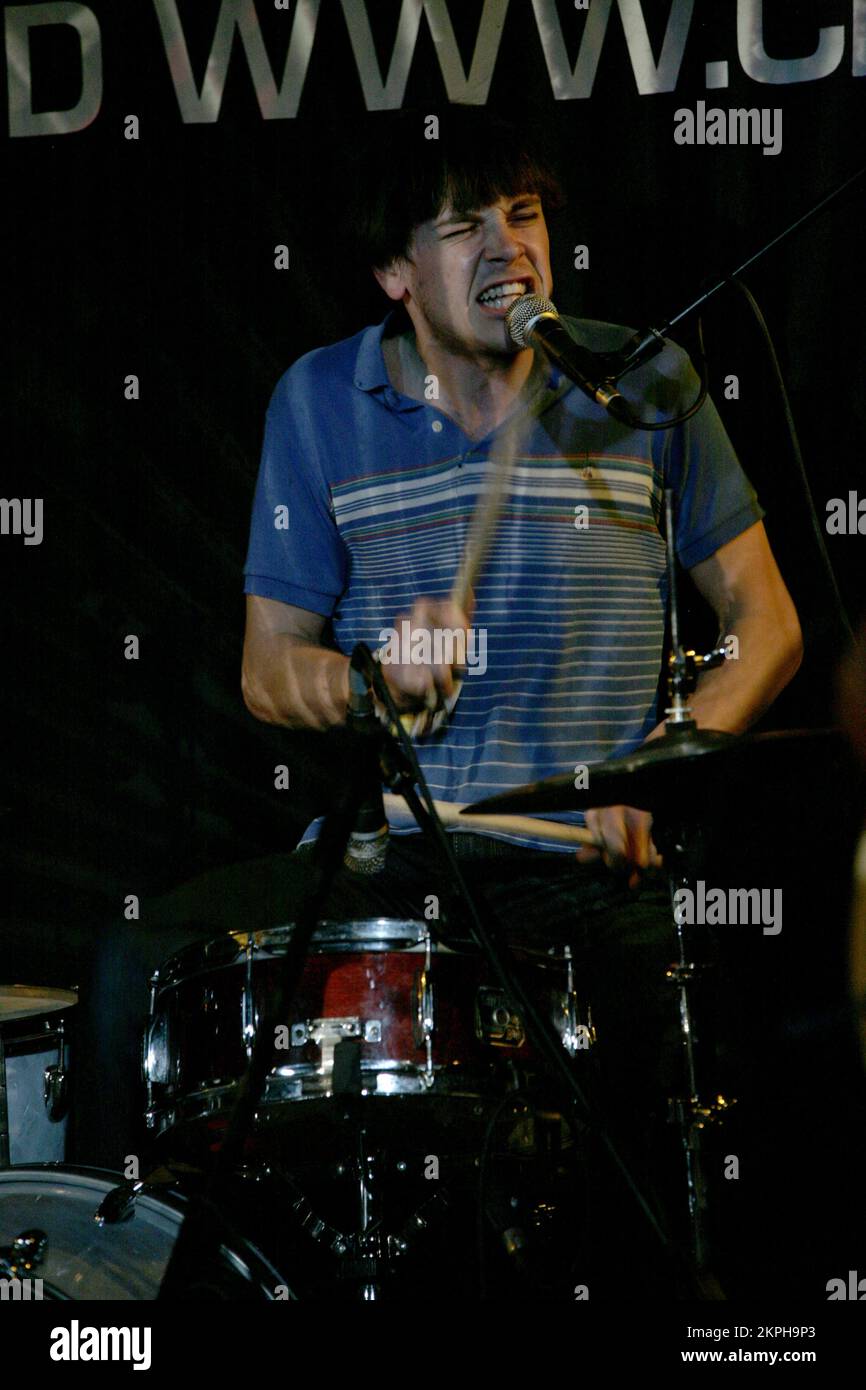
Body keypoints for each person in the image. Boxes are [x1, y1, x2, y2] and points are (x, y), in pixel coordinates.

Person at [236, 108, 803, 1291]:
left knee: (665, 1224)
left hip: (598, 873)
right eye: (462, 226)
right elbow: (266, 667)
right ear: (395, 272)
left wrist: (661, 760)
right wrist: (366, 682)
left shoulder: (645, 382)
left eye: (524, 214)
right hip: (408, 879)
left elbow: (768, 624)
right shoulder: (316, 402)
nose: (508, 247)